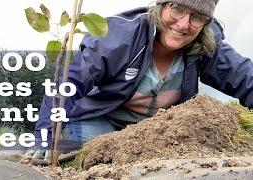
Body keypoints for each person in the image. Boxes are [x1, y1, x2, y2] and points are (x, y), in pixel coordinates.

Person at [34, 0, 253, 152]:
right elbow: (67, 83)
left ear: (206, 23)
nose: (183, 24)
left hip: (156, 132)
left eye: (197, 17)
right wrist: (45, 137)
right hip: (102, 119)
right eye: (176, 8)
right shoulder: (118, 37)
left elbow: (245, 78)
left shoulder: (205, 45)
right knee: (93, 155)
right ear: (162, 5)